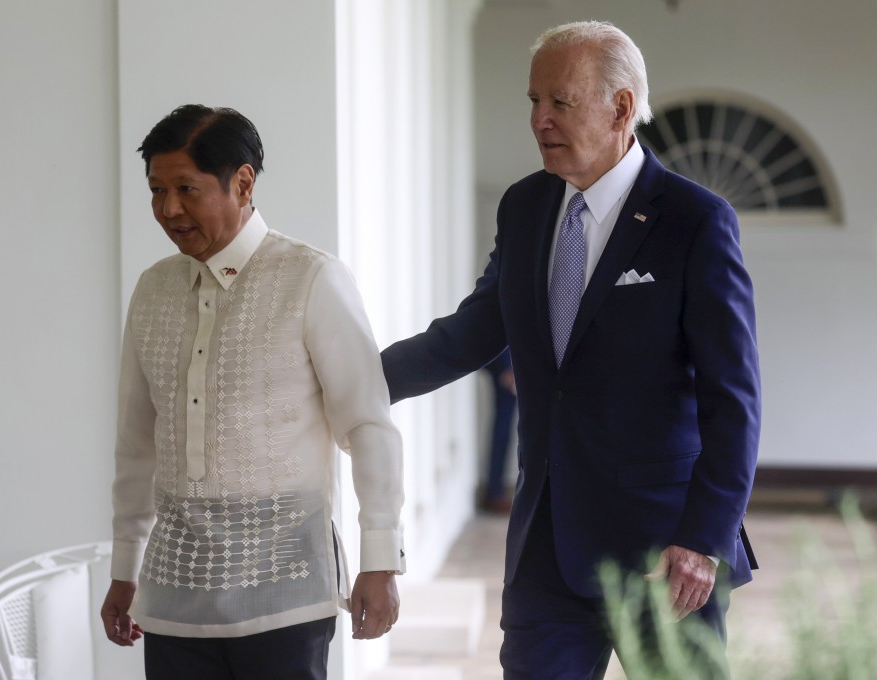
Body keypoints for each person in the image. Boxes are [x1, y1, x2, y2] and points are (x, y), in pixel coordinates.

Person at [381, 20, 760, 678]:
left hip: (665, 555)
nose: (540, 120)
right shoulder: (526, 206)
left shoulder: (695, 220)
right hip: (547, 551)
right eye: (533, 101)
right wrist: (350, 381)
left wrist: (705, 539)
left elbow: (733, 398)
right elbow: (474, 329)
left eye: (561, 101)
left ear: (620, 107)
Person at [100, 104, 405, 680]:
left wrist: (380, 559)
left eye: (186, 189)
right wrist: (124, 566)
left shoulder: (312, 279)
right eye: (157, 191)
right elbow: (137, 443)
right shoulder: (152, 290)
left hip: (285, 590)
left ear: (243, 182)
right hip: (173, 596)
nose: (168, 209)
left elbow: (369, 425)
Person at [480, 348, 517, 513]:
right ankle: (494, 492)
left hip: (505, 354)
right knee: (503, 425)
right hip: (504, 355)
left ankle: (496, 491)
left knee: (505, 425)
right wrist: (509, 366)